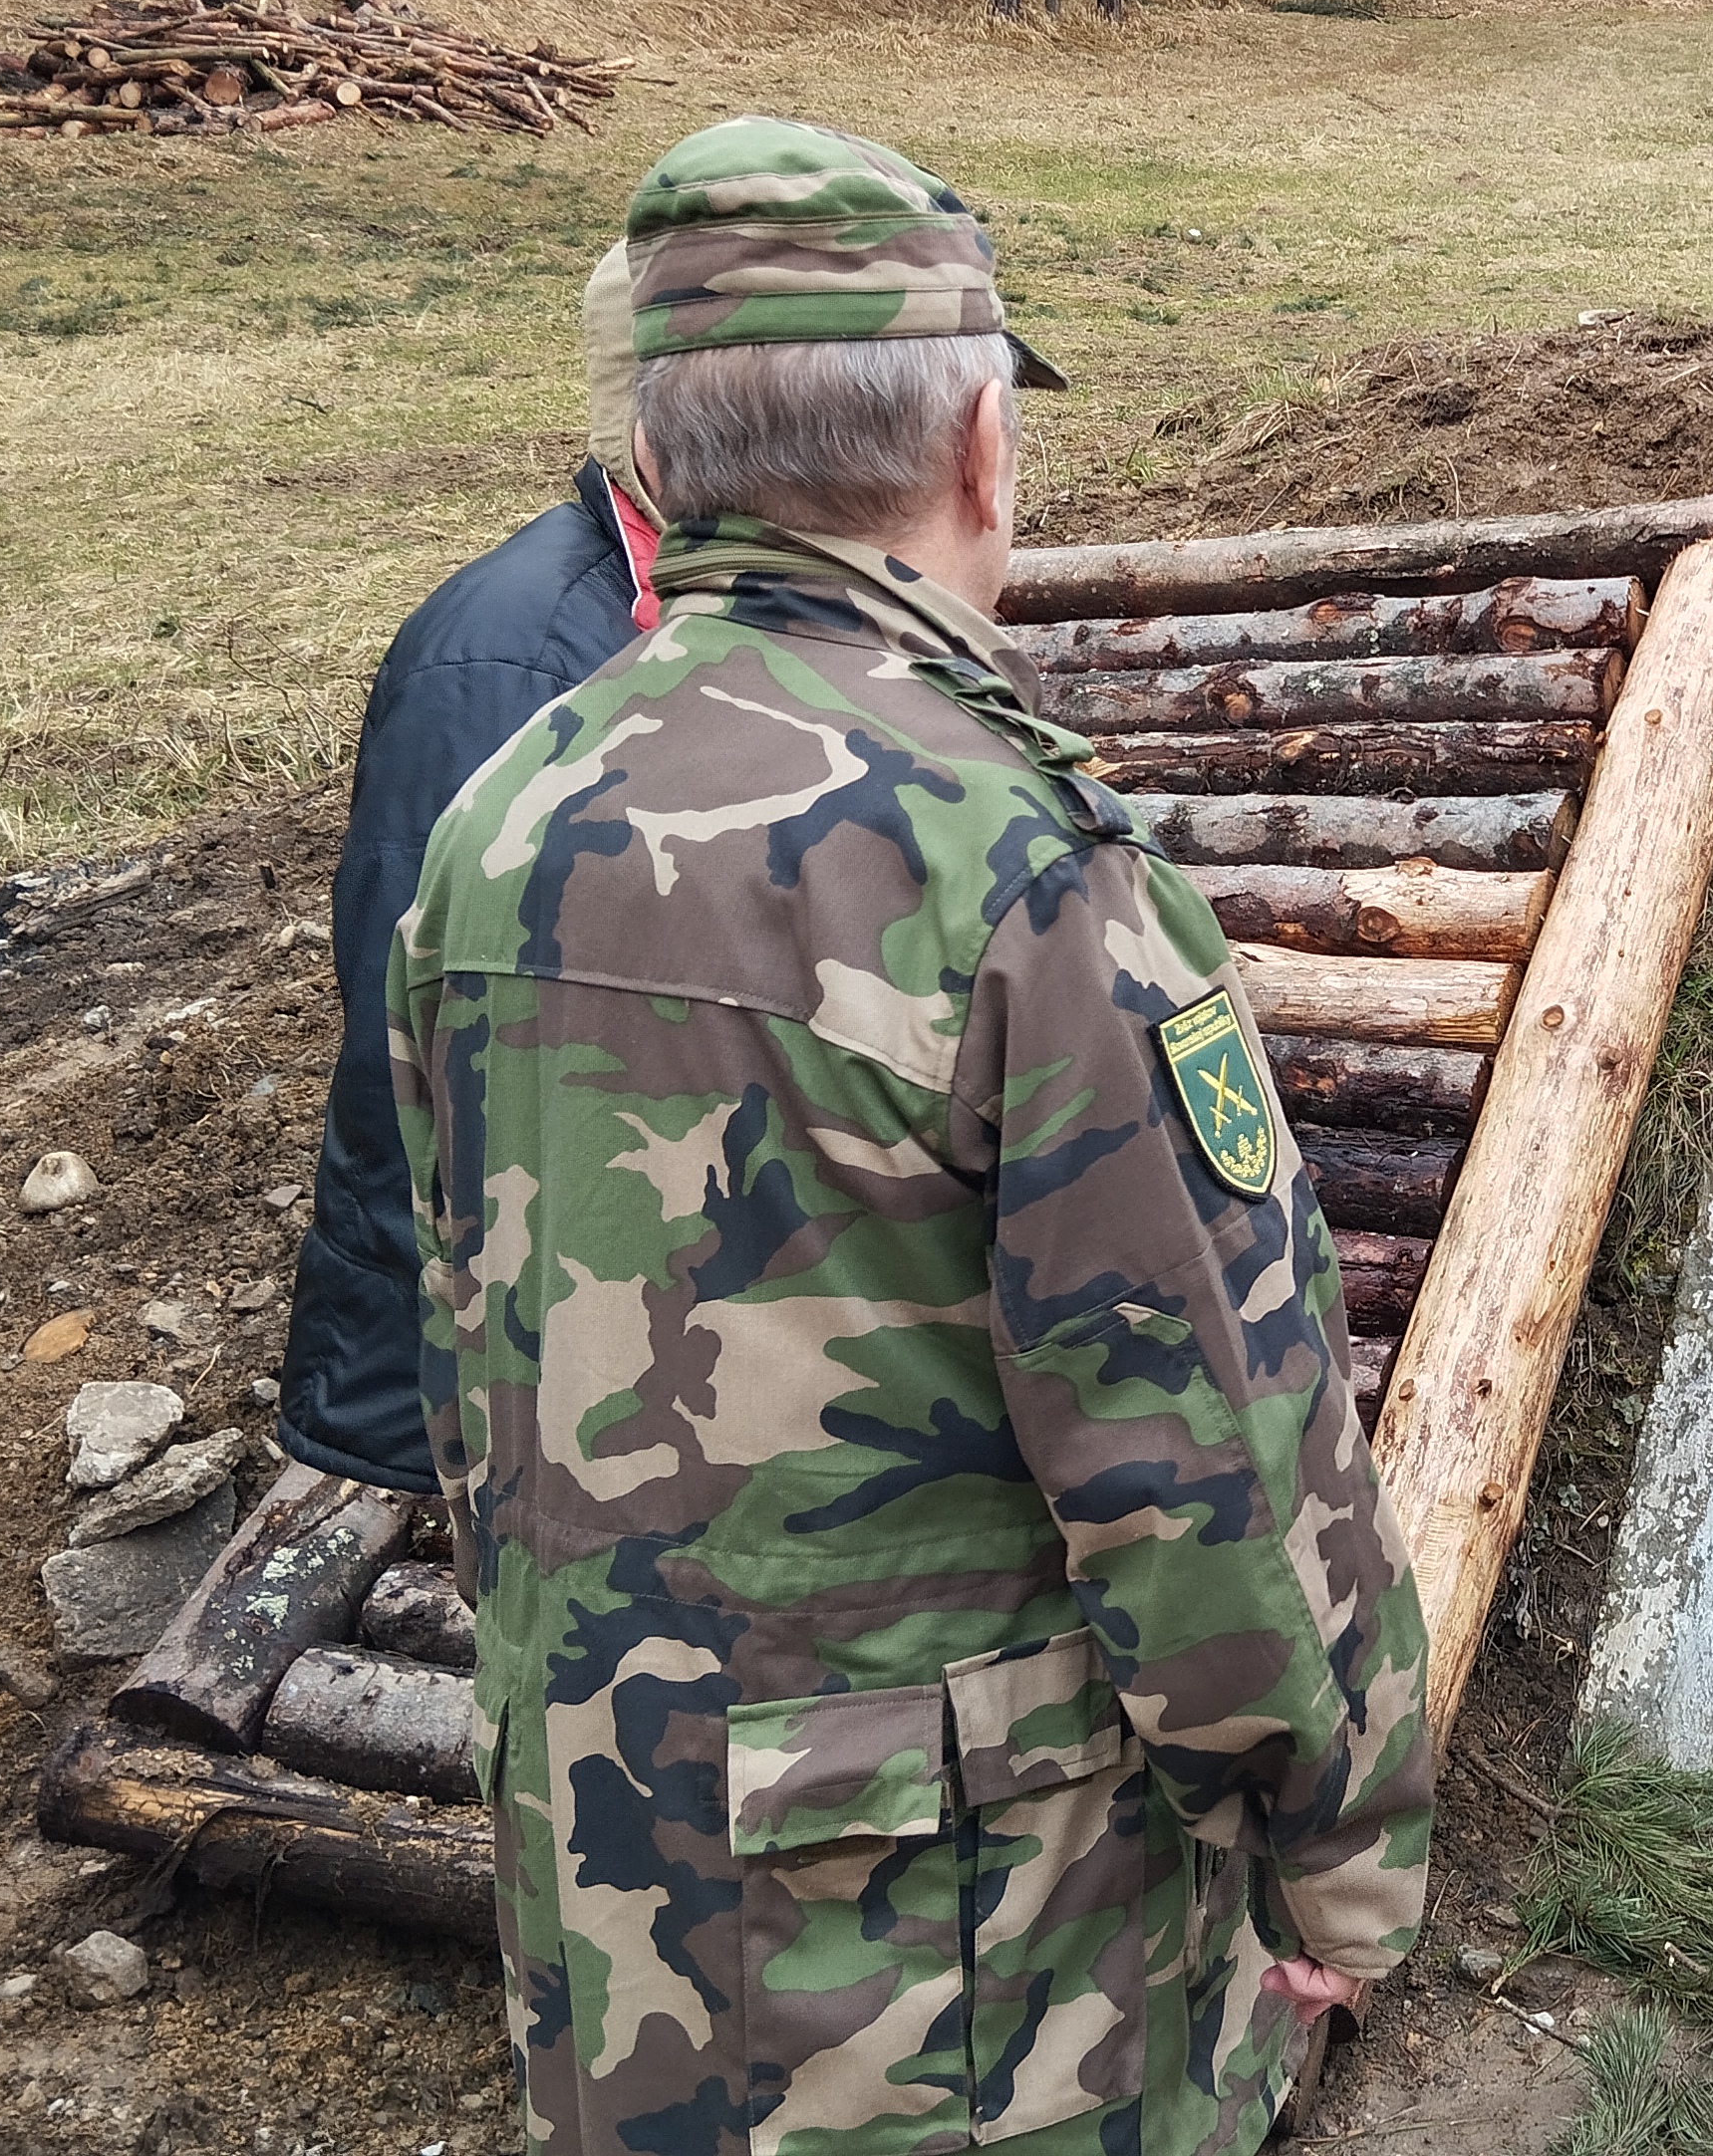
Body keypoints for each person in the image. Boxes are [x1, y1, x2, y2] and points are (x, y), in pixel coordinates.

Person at [390, 117, 1431, 2154]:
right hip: (971, 1959)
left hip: (612, 1880)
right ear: (980, 443)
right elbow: (1202, 1444)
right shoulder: (1013, 861)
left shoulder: (497, 822)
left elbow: (465, 1351)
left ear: (662, 457)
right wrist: (1337, 1839)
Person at [275, 243, 664, 1492]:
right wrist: (444, 1422)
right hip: (481, 1374)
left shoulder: (670, 611)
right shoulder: (512, 667)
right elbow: (425, 1043)